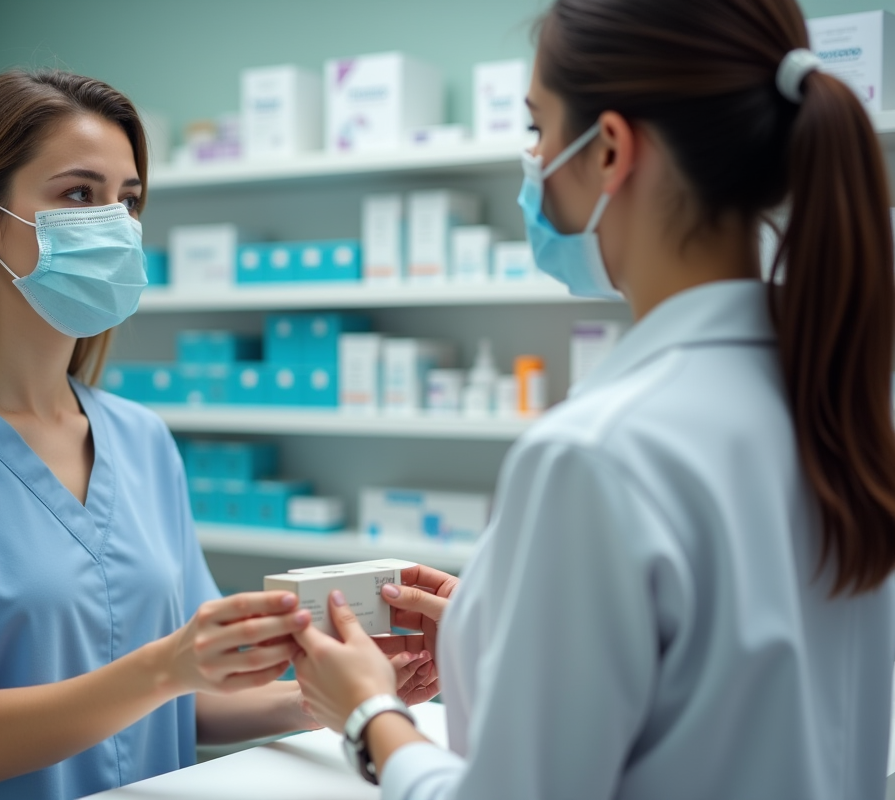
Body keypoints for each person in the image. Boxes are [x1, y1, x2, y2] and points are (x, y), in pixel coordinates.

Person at [291, 1, 895, 798]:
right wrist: (493, 622)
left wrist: (369, 717)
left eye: (538, 128)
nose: (534, 160)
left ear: (609, 148)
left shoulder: (598, 454)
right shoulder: (843, 406)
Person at [0, 70, 435, 800]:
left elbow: (187, 696)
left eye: (128, 200)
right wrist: (170, 665)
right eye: (79, 194)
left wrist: (353, 700)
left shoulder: (140, 438)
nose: (114, 223)